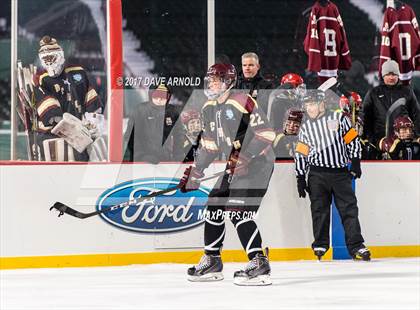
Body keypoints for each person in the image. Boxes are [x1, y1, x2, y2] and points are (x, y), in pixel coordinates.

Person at [179, 63, 276, 286]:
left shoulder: (243, 101)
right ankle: (212, 260)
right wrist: (197, 171)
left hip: (258, 164)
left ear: (229, 82)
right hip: (235, 164)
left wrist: (247, 156)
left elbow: (267, 133)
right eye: (210, 80)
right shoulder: (208, 108)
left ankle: (259, 263)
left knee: (238, 211)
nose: (212, 84)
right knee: (214, 204)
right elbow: (210, 146)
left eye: (217, 80)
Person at [294, 89, 371, 261]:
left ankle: (356, 246)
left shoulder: (339, 118)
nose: (310, 108)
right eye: (307, 105)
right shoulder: (305, 126)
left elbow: (352, 140)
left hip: (340, 173)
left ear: (322, 104)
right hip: (317, 174)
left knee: (349, 210)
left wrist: (356, 161)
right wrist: (300, 176)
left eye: (313, 104)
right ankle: (320, 243)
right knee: (319, 210)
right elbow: (301, 152)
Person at [34, 36, 103, 161]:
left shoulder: (78, 73)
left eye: (51, 57)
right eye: (45, 58)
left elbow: (91, 100)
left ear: (60, 55)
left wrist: (92, 122)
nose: (49, 62)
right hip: (50, 134)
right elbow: (50, 112)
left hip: (79, 132)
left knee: (88, 156)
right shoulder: (41, 79)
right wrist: (65, 125)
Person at [360, 59, 420, 149]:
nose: (391, 77)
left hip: (403, 141)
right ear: (383, 76)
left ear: (398, 75)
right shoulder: (373, 93)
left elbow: (417, 115)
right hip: (380, 142)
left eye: (394, 74)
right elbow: (366, 117)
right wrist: (372, 140)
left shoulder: (407, 91)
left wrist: (414, 135)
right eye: (388, 74)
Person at [125, 84, 182, 163]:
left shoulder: (172, 112)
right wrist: (142, 156)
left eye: (163, 96)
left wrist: (178, 157)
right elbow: (130, 136)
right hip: (141, 162)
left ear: (168, 97)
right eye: (156, 95)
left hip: (165, 161)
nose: (159, 99)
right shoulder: (140, 110)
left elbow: (179, 136)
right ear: (151, 95)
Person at [268, 73, 306, 159]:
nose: (300, 90)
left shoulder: (293, 101)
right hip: (281, 137)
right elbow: (278, 126)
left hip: (291, 135)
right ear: (289, 88)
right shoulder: (278, 103)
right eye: (297, 87)